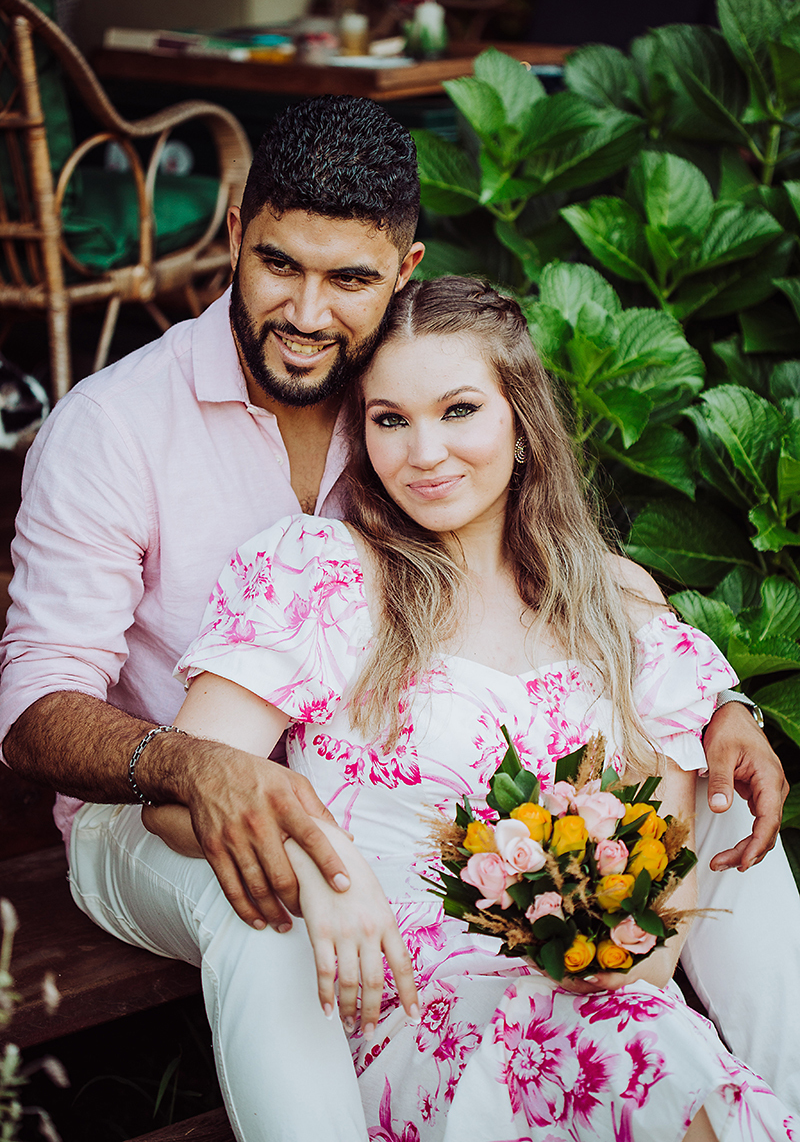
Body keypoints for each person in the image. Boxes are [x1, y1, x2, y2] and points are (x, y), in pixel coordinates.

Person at [0, 95, 795, 1133]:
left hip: (364, 794)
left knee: (723, 803)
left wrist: (719, 703)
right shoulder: (114, 428)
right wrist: (199, 768)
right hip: (152, 800)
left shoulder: (383, 374)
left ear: (402, 272)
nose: (306, 313)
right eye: (278, 264)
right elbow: (34, 711)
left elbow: (546, 551)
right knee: (270, 886)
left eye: (349, 280)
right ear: (234, 234)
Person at [147, 276, 798, 1141]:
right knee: (653, 1064)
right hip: (411, 1014)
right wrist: (315, 862)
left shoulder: (616, 598)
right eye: (390, 419)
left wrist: (606, 958)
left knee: (655, 1052)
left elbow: (658, 898)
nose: (424, 453)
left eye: (459, 411)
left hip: (601, 1005)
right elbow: (179, 794)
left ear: (521, 421)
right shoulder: (322, 575)